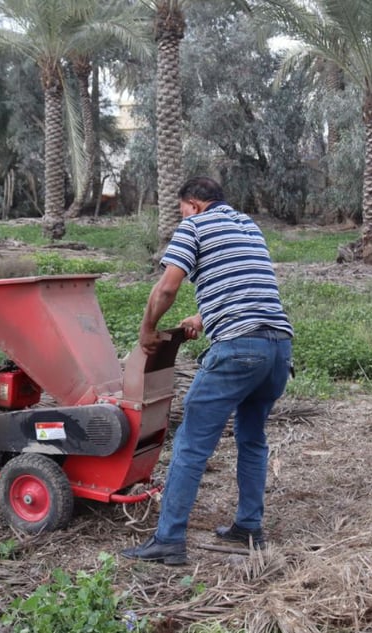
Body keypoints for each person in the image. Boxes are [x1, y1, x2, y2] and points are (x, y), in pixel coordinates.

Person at [121, 177, 293, 565]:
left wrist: (147, 329)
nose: (181, 218)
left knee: (191, 444)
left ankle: (168, 539)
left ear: (194, 205)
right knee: (252, 439)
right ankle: (249, 525)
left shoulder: (194, 226)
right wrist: (205, 314)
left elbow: (166, 288)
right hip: (278, 348)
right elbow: (249, 286)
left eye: (182, 211)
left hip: (238, 350)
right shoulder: (248, 226)